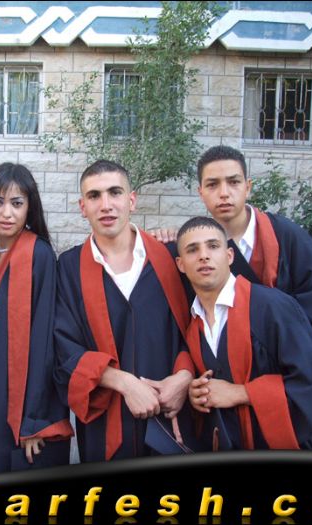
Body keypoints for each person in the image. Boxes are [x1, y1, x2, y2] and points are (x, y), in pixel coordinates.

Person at [154, 145, 312, 451]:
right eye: (212, 184)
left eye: (233, 182)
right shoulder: (198, 249)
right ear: (200, 192)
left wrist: (251, 386)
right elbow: (202, 324)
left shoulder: (290, 239)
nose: (224, 193)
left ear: (248, 186)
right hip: (234, 401)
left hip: (300, 384)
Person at [54, 160, 197, 463]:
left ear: (131, 200)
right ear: (83, 207)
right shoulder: (68, 267)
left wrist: (184, 377)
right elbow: (63, 346)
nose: (105, 204)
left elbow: (197, 326)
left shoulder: (169, 257)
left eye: (115, 192)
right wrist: (124, 382)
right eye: (94, 196)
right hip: (105, 424)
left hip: (170, 416)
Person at [178, 216, 312, 451]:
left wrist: (242, 393)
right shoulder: (195, 326)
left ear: (230, 255)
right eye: (192, 249)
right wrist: (199, 394)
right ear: (180, 264)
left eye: (213, 246)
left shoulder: (273, 307)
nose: (204, 255)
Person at [0, 162, 73, 472]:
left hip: (20, 402)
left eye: (17, 203)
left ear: (29, 207)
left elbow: (45, 341)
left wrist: (35, 419)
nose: (7, 213)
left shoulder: (38, 255)